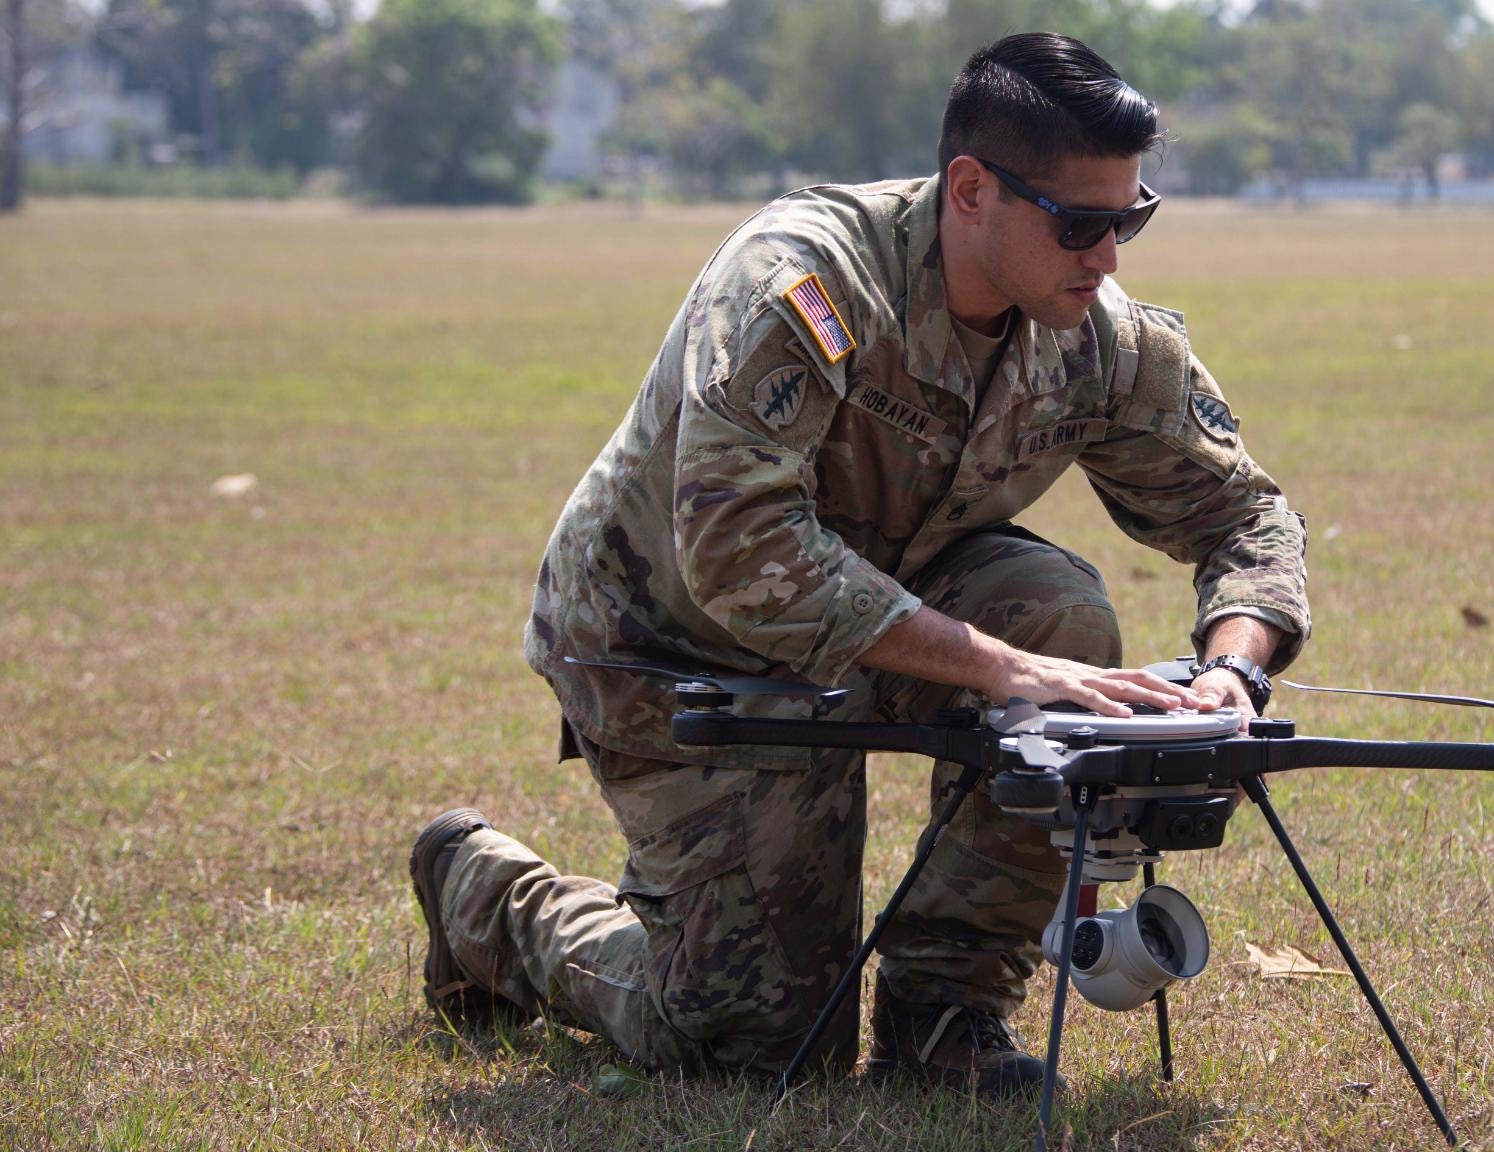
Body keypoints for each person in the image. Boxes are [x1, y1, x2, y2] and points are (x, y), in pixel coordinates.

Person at [408, 32, 1310, 1098]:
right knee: (755, 1047)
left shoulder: (1096, 340)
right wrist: (1001, 668)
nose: (1108, 255)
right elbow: (740, 548)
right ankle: (486, 898)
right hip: (677, 646)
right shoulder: (800, 281)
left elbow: (1245, 515)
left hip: (880, 625)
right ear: (970, 190)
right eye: (1079, 223)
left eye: (1130, 218)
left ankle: (945, 1016)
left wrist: (1232, 670)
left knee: (1055, 612)